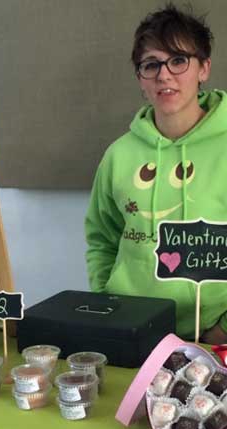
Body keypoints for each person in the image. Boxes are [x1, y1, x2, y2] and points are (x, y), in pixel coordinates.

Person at [85, 3, 227, 343]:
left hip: (213, 334)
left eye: (178, 60)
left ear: (203, 67)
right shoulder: (118, 155)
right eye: (151, 65)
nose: (164, 75)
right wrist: (109, 301)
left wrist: (223, 329)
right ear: (140, 78)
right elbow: (102, 238)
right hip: (133, 328)